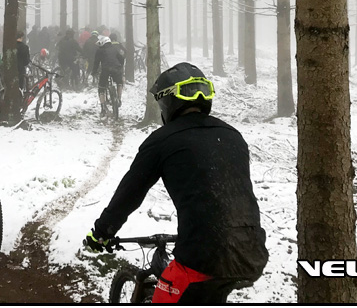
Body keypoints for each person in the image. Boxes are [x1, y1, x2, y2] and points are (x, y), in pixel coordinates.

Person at [83, 62, 268, 304]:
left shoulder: (163, 140)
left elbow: (130, 193)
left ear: (167, 103)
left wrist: (102, 233)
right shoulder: (233, 136)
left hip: (202, 258)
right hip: (251, 252)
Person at [91, 34, 125, 115]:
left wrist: (94, 72)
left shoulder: (100, 50)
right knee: (119, 83)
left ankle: (103, 107)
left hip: (105, 70)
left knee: (101, 87)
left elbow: (96, 62)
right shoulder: (115, 48)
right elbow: (121, 58)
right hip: (116, 69)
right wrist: (120, 66)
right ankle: (119, 98)